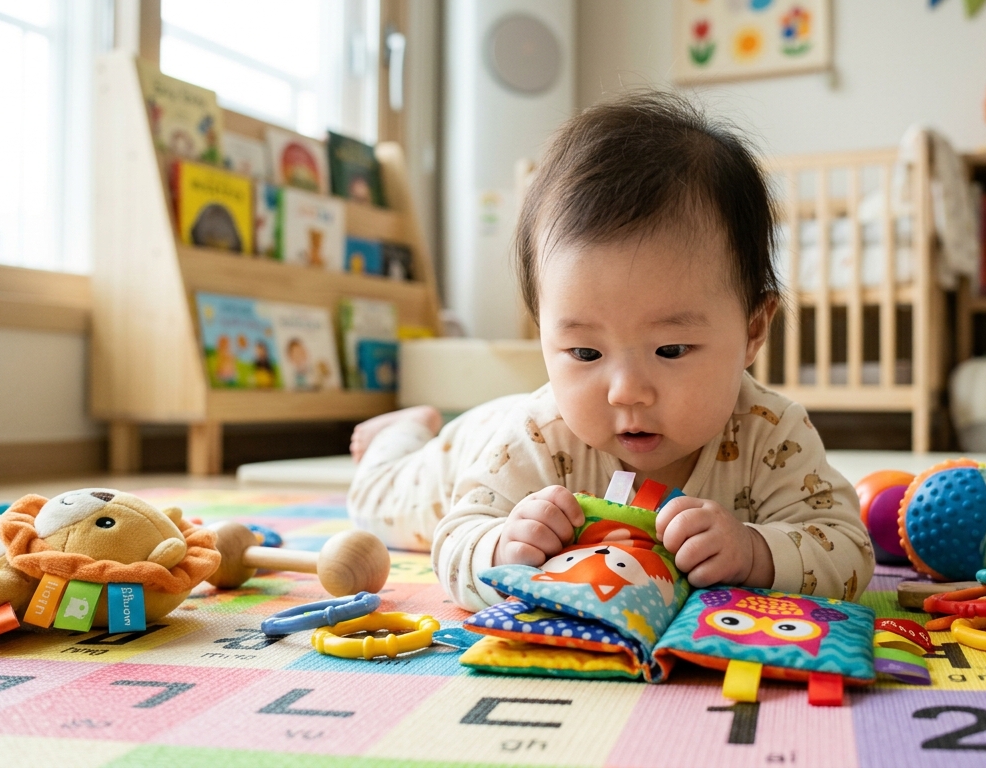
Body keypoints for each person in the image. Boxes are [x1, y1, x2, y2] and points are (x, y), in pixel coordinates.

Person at [348, 91, 873, 611]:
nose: (626, 392)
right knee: (375, 504)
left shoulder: (770, 435)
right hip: (467, 452)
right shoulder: (536, 436)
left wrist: (755, 551)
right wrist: (501, 548)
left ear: (753, 330)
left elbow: (847, 551)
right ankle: (401, 434)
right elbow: (454, 541)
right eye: (584, 353)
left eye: (670, 349)